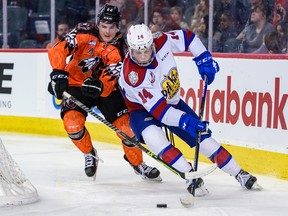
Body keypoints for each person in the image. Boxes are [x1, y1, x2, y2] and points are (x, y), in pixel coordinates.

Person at [118, 24, 262, 196]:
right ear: (130, 49)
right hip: (142, 111)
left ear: (152, 44)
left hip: (172, 103)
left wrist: (203, 57)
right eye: (137, 52)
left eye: (146, 50)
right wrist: (187, 122)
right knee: (155, 140)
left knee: (204, 140)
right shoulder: (132, 76)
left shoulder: (161, 40)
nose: (142, 56)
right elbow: (161, 113)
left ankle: (239, 173)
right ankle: (191, 177)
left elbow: (188, 38)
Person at [47, 4, 161, 181]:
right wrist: (58, 73)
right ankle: (89, 153)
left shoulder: (122, 46)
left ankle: (138, 164)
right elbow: (59, 49)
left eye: (112, 27)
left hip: (107, 90)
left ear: (118, 26)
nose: (108, 31)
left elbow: (114, 73)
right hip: (77, 84)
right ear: (98, 23)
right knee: (72, 124)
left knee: (127, 129)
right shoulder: (84, 31)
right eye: (104, 26)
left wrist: (101, 85)